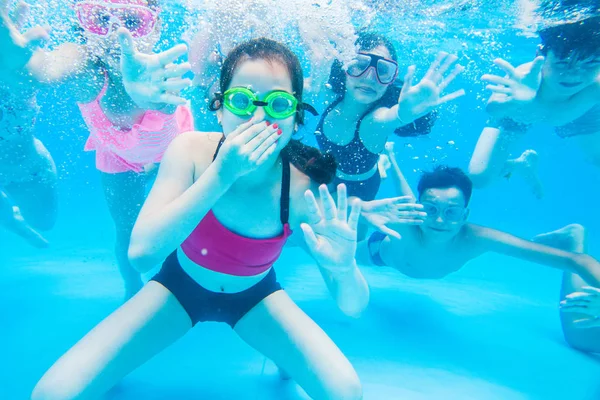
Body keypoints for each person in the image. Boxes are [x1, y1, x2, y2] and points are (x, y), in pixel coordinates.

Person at [31, 37, 369, 400]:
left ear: (296, 117)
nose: (258, 117)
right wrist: (222, 175)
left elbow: (352, 307)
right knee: (51, 394)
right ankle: (281, 356)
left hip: (255, 296)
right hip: (179, 288)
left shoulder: (303, 186)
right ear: (219, 109)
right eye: (241, 100)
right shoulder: (190, 150)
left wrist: (343, 268)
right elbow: (142, 254)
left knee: (346, 393)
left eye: (279, 104)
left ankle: (280, 352)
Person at [0, 0, 194, 298]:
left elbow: (165, 102)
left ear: (153, 29)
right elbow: (46, 70)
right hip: (117, 155)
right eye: (100, 18)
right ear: (83, 26)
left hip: (173, 152)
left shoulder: (159, 70)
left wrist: (155, 99)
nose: (116, 34)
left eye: (132, 22)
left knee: (181, 225)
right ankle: (132, 287)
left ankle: (183, 283)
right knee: (127, 232)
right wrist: (17, 66)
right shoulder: (82, 64)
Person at [357, 143, 600, 352]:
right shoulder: (407, 221)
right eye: (430, 209)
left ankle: (394, 161)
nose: (440, 220)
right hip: (378, 252)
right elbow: (393, 202)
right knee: (346, 249)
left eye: (451, 212)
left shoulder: (477, 238)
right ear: (422, 210)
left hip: (407, 243)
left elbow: (575, 260)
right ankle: (392, 161)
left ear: (465, 215)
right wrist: (362, 208)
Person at [309, 31, 465, 202]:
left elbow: (389, 118)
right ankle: (382, 159)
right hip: (328, 173)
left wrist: (403, 114)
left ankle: (381, 161)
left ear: (391, 79)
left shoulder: (373, 123)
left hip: (361, 188)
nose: (369, 78)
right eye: (360, 65)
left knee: (355, 227)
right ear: (345, 67)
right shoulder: (330, 96)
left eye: (382, 70)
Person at [468, 15, 600, 198]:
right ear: (541, 55)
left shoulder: (595, 86)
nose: (574, 75)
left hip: (580, 112)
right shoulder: (524, 78)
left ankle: (521, 164)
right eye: (562, 63)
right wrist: (517, 103)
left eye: (591, 64)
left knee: (596, 159)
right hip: (521, 112)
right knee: (479, 179)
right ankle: (521, 165)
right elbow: (492, 109)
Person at [0, 2, 56, 248]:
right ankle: (9, 219)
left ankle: (11, 218)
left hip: (28, 169)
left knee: (44, 222)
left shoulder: (18, 81)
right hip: (21, 167)